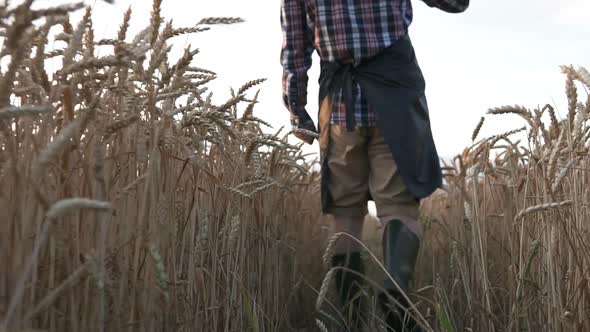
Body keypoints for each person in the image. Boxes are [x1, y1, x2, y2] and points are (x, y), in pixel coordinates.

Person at [280, 0, 470, 331]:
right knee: (399, 207)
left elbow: (295, 46)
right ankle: (396, 295)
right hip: (396, 94)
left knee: (346, 215)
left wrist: (297, 107)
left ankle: (354, 320)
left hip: (338, 103)